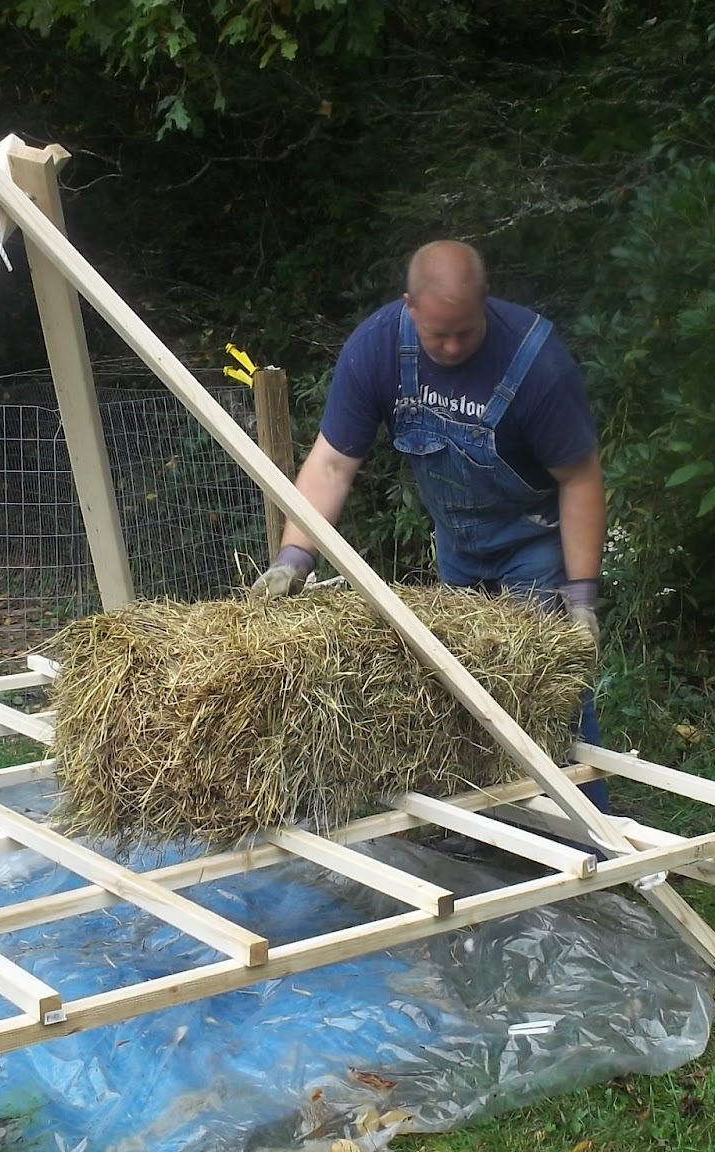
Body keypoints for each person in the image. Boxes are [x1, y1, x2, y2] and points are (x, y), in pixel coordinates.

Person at [251, 239, 610, 810]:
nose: (450, 346)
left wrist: (582, 595)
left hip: (533, 542)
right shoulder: (377, 349)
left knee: (548, 689)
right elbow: (333, 462)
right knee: (457, 685)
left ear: (484, 307)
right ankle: (482, 828)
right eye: (437, 333)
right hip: (458, 542)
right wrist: (294, 557)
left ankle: (591, 828)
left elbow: (580, 478)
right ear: (408, 306)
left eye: (464, 333)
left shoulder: (535, 361)